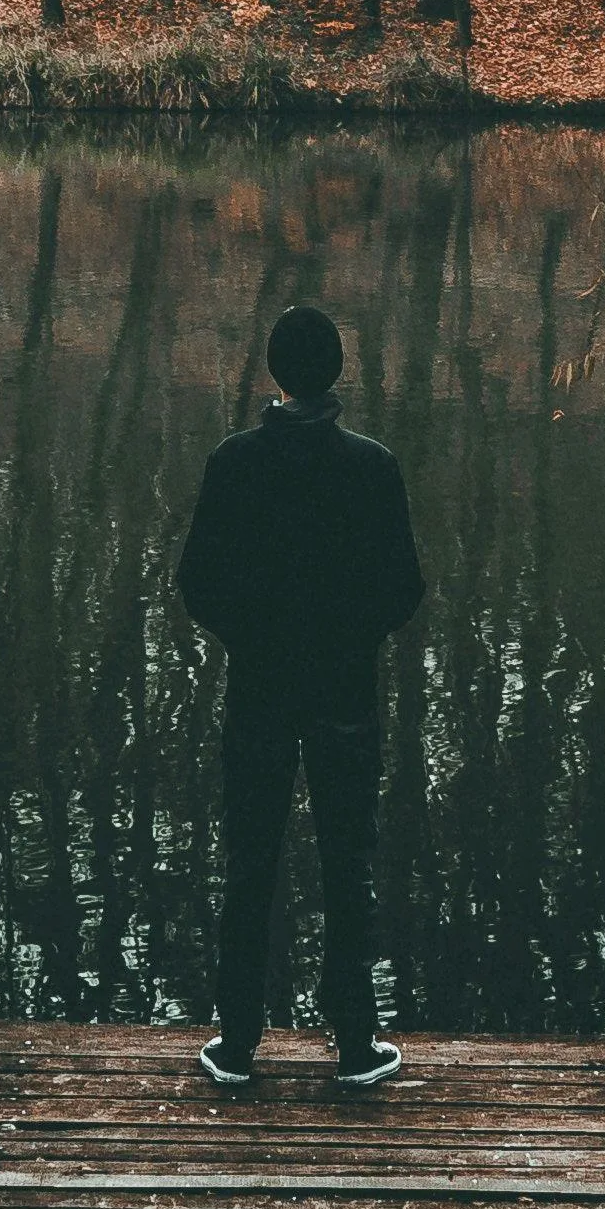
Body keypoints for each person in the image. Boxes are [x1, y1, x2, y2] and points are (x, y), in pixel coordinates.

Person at [172, 302, 425, 1088]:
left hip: (258, 693)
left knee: (251, 865)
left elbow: (197, 584)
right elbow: (404, 588)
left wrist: (250, 640)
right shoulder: (372, 466)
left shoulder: (233, 462)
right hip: (344, 693)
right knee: (350, 867)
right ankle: (354, 1046)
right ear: (336, 372)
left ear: (275, 373)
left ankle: (238, 1046)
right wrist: (351, 640)